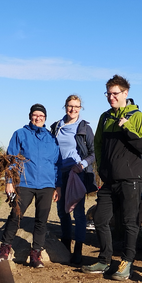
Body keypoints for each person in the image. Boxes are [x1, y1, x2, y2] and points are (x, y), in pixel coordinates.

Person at [81, 75, 142, 280]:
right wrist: (101, 168)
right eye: (108, 93)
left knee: (130, 222)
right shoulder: (104, 117)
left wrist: (126, 127)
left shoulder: (138, 117)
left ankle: (126, 263)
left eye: (115, 93)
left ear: (125, 93)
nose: (111, 97)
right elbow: (99, 146)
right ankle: (104, 260)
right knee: (101, 219)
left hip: (132, 178)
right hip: (110, 180)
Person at [0, 104, 60, 268]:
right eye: (35, 115)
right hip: (25, 183)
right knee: (16, 215)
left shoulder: (51, 138)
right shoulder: (20, 134)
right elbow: (11, 159)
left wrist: (57, 186)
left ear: (45, 118)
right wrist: (9, 182)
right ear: (30, 116)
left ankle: (36, 253)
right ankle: (5, 247)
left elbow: (56, 164)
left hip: (46, 185)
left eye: (41, 116)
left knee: (41, 220)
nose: (38, 118)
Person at [50, 94, 98, 266]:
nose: (73, 109)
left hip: (77, 174)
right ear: (65, 106)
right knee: (62, 211)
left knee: (78, 213)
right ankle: (65, 245)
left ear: (80, 108)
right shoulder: (57, 126)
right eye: (70, 106)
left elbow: (94, 153)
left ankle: (78, 250)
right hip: (59, 174)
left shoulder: (84, 128)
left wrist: (82, 165)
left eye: (77, 107)